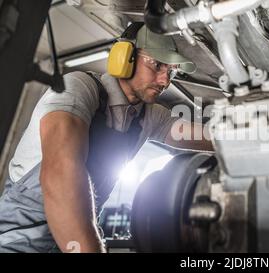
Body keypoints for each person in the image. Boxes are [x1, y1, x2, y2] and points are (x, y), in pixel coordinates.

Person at [0, 23, 212, 253]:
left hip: (78, 238)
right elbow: (61, 173)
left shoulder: (148, 116)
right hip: (19, 244)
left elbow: (210, 138)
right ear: (124, 56)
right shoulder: (78, 88)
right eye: (158, 64)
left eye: (171, 71)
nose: (165, 81)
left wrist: (250, 135)